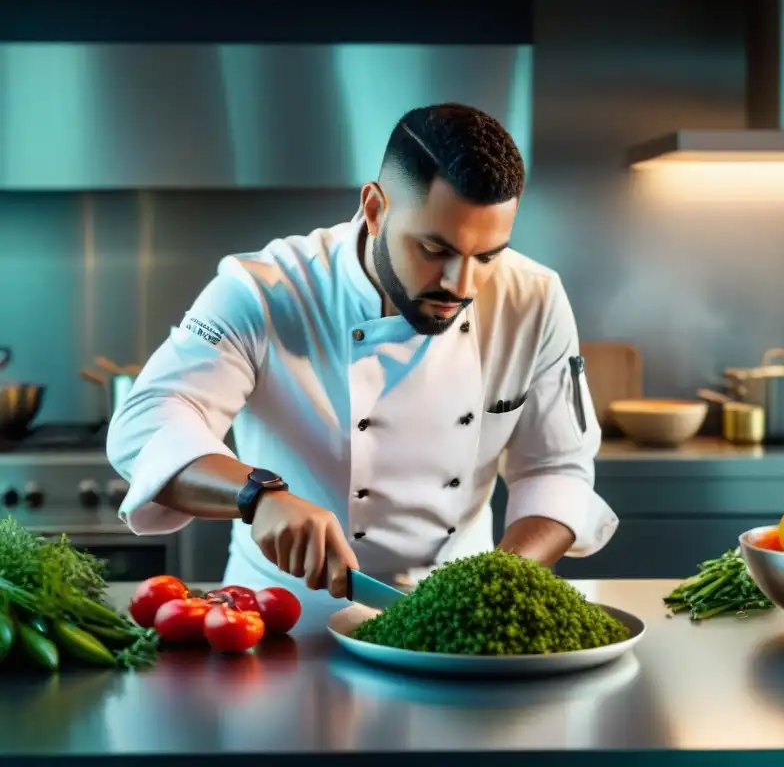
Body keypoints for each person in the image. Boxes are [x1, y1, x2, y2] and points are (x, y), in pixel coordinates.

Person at [107, 103, 618, 617]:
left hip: (458, 623)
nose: (461, 285)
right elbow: (147, 421)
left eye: (486, 256)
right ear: (375, 209)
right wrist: (257, 496)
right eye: (434, 249)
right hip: (284, 615)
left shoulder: (533, 298)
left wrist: (494, 587)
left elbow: (557, 469)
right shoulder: (265, 290)